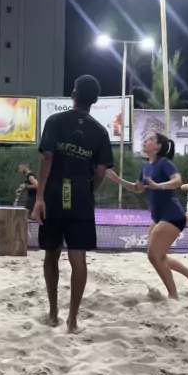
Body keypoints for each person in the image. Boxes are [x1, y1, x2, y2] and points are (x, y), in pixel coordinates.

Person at [33, 75, 113, 334]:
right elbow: (101, 172)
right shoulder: (100, 132)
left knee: (51, 254)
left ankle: (53, 314)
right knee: (78, 258)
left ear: (73, 94)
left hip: (54, 195)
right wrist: (89, 191)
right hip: (80, 198)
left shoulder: (55, 121)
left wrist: (39, 198)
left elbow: (47, 158)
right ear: (95, 101)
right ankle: (73, 321)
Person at [107, 134, 188, 300]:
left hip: (172, 215)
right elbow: (137, 188)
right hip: (158, 217)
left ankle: (173, 295)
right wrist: (117, 180)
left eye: (150, 139)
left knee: (154, 256)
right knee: (160, 256)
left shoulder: (164, 163)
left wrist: (159, 186)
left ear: (158, 146)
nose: (145, 141)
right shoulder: (145, 167)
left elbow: (177, 181)